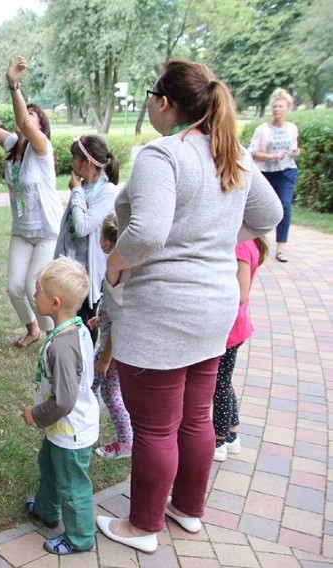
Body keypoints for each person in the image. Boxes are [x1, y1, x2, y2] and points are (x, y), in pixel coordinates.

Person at [96, 61, 282, 553]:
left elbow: (149, 232)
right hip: (214, 307)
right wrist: (215, 241)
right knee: (196, 417)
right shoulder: (229, 151)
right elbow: (270, 214)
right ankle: (187, 510)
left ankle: (143, 526)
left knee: (156, 426)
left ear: (164, 102)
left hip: (161, 310)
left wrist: (114, 265)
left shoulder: (162, 154)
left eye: (151, 94)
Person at [0, 56, 63, 349]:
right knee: (13, 287)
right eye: (27, 113)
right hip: (22, 229)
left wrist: (13, 84)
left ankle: (54, 336)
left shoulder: (42, 149)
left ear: (39, 125)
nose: (26, 117)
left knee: (32, 287)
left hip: (47, 231)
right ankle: (33, 329)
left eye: (33, 115)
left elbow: (22, 119)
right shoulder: (11, 144)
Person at [21, 257, 98, 556]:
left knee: (72, 486)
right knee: (49, 467)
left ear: (54, 303)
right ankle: (46, 510)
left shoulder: (63, 348)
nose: (34, 294)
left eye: (38, 291)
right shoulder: (76, 327)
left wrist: (34, 415)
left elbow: (64, 401)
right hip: (61, 429)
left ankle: (80, 537)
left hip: (71, 430)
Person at [54, 135, 119, 343]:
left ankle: (85, 365)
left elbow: (82, 227)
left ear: (86, 162)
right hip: (69, 266)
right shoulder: (83, 187)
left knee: (85, 321)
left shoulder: (106, 191)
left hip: (87, 273)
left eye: (74, 157)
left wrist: (76, 192)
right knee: (67, 317)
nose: (72, 163)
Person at [213, 237, 268, 462]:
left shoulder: (240, 245)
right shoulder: (247, 243)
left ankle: (219, 439)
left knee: (219, 383)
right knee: (224, 381)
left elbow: (241, 294)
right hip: (235, 326)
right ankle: (232, 433)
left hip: (230, 328)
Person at [88, 214, 132, 460]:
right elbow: (111, 306)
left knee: (110, 394)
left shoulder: (119, 268)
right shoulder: (119, 267)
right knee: (93, 385)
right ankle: (90, 427)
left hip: (112, 350)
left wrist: (105, 359)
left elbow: (120, 321)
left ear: (108, 240)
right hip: (108, 344)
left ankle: (126, 442)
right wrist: (100, 317)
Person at [249, 88, 300, 263]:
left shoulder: (292, 129)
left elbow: (292, 148)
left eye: (281, 106)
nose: (277, 109)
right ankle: (257, 243)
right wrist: (270, 156)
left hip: (286, 172)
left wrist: (294, 152)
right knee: (261, 209)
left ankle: (281, 248)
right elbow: (252, 152)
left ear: (288, 108)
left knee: (285, 207)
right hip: (265, 173)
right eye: (275, 106)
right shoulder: (263, 129)